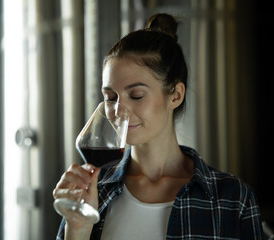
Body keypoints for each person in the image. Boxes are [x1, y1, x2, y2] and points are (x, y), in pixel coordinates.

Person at [53, 13, 264, 240]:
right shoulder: (93, 192)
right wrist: (77, 229)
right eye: (111, 97)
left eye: (136, 95)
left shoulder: (233, 199)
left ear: (175, 95)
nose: (117, 111)